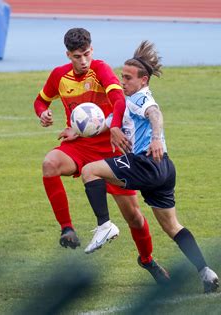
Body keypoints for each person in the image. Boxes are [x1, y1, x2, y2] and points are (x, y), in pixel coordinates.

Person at [81, 41, 220, 293]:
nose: (122, 82)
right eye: (121, 76)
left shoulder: (141, 97)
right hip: (165, 168)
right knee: (172, 226)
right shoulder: (126, 102)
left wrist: (156, 137)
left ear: (143, 80)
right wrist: (75, 131)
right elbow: (104, 124)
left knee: (89, 170)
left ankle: (105, 225)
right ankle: (206, 272)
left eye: (127, 78)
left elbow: (155, 113)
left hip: (145, 164)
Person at [33, 28, 170, 283]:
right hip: (78, 146)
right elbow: (40, 101)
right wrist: (43, 113)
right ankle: (67, 229)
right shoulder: (59, 76)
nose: (83, 61)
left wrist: (115, 127)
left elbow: (119, 101)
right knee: (49, 163)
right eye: (77, 56)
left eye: (86, 54)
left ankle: (148, 261)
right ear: (68, 55)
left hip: (110, 152)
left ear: (91, 50)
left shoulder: (101, 69)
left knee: (135, 219)